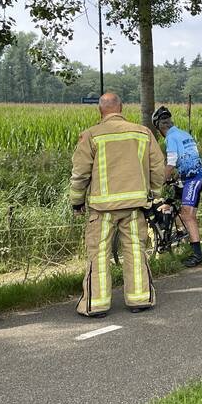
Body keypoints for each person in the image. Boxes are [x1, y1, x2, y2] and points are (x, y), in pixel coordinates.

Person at [70, 93, 165, 317]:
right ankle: (139, 299)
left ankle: (96, 304)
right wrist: (155, 195)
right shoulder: (142, 133)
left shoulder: (91, 135)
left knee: (98, 254)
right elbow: (157, 168)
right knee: (135, 251)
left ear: (100, 110)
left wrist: (76, 201)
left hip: (102, 209)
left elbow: (80, 173)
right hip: (134, 207)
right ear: (121, 108)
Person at [152, 106, 202, 268]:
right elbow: (189, 157)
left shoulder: (170, 137)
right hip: (196, 176)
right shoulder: (183, 134)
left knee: (187, 215)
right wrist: (177, 177)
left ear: (160, 128)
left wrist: (161, 181)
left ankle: (197, 255)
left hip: (192, 179)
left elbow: (170, 163)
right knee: (185, 212)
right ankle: (188, 242)